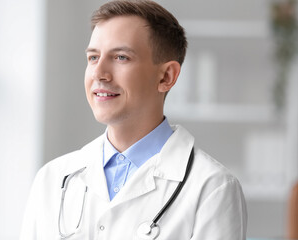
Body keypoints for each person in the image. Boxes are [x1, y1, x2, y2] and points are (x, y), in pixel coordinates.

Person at [20, 0, 247, 239]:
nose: (99, 73)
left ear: (166, 76)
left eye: (120, 57)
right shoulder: (53, 180)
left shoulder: (212, 188)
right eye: (93, 57)